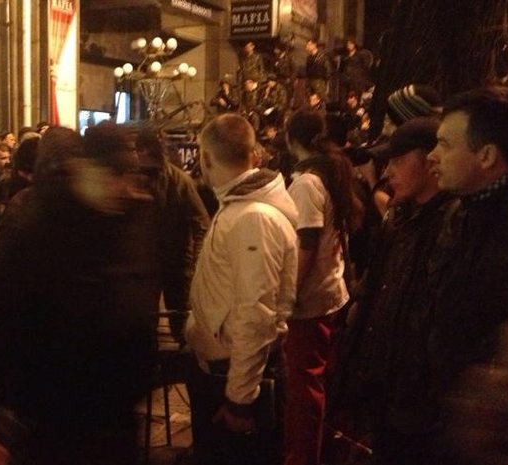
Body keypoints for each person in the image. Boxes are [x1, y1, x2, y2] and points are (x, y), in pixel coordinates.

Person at [0, 126, 160, 465]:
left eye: (129, 175)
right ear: (85, 169)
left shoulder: (131, 221)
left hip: (113, 423)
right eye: (113, 174)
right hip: (47, 423)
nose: (123, 186)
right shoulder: (38, 226)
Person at [371, 86, 508, 464]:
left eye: (445, 145)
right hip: (429, 420)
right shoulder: (461, 214)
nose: (433, 156)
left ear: (486, 156)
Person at [325, 118, 452, 461]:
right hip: (383, 386)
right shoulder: (398, 218)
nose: (388, 171)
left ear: (431, 160)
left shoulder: (451, 225)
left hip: (416, 400)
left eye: (398, 160)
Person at [183, 114, 299, 465]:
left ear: (205, 157)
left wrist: (239, 401)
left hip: (233, 376)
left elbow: (255, 314)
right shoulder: (239, 206)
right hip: (227, 370)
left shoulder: (253, 217)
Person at [284, 109, 364, 465]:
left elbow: (307, 243)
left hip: (310, 300)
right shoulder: (330, 173)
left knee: (304, 390)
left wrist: (288, 295)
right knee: (321, 381)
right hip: (331, 291)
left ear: (290, 139)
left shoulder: (306, 183)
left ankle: (303, 457)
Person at [135, 128, 209, 338]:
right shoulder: (135, 179)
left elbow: (201, 223)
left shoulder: (179, 181)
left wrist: (196, 263)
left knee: (181, 319)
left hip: (176, 261)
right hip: (147, 262)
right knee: (146, 321)